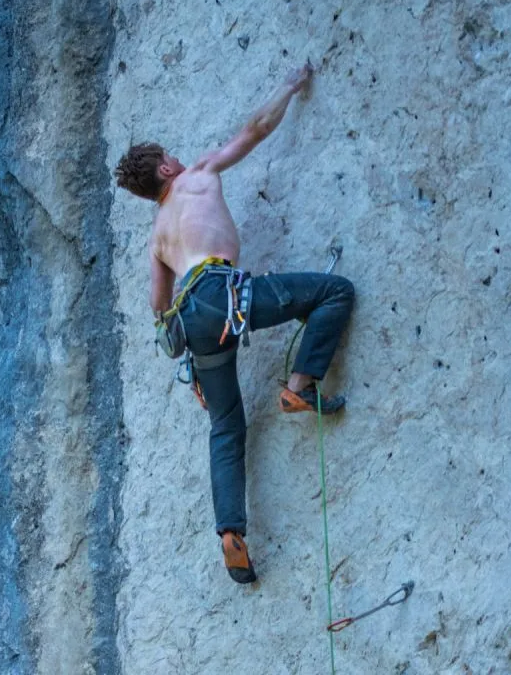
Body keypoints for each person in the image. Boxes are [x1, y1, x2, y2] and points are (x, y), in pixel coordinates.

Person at [114, 64, 354, 584]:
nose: (176, 159)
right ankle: (299, 386)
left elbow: (158, 308)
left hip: (190, 320)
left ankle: (231, 534)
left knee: (225, 425)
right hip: (223, 294)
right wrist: (288, 86)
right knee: (334, 293)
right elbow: (254, 131)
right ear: (164, 169)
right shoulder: (196, 175)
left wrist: (190, 364)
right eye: (168, 156)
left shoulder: (157, 238)